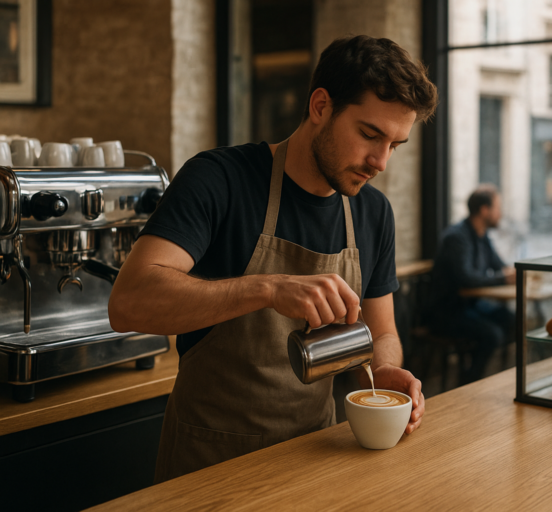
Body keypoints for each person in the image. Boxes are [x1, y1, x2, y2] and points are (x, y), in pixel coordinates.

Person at [108, 35, 438, 483]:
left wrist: (383, 369)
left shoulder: (373, 213)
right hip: (208, 465)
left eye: (395, 145)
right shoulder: (218, 180)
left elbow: (382, 330)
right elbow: (128, 303)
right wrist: (267, 288)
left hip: (315, 458)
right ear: (320, 106)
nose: (380, 161)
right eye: (369, 134)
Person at [428, 185, 515, 385]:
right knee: (492, 335)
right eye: (497, 208)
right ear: (484, 210)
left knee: (512, 319)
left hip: (470, 305)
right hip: (446, 310)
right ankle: (468, 383)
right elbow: (467, 278)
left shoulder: (482, 235)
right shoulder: (457, 237)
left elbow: (499, 266)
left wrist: (510, 273)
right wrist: (503, 278)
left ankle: (498, 378)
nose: (500, 213)